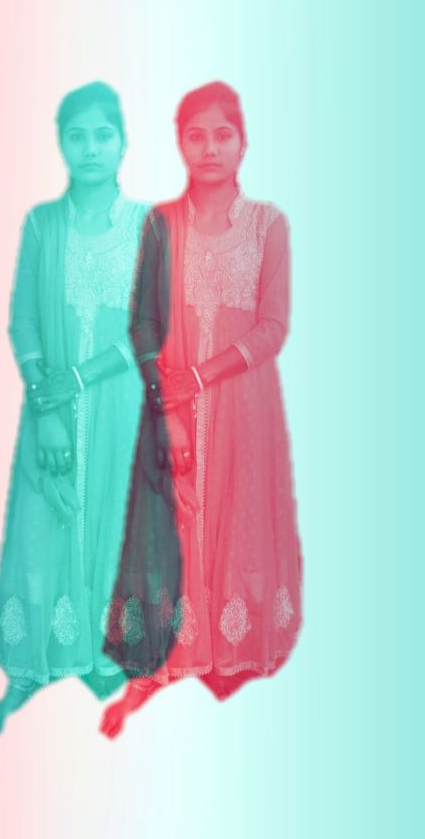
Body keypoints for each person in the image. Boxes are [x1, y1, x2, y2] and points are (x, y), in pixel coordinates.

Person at [100, 81, 304, 738]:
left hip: (245, 409)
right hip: (171, 405)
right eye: (196, 135)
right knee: (175, 517)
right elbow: (143, 325)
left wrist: (202, 376)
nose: (210, 148)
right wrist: (170, 404)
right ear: (179, 144)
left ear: (244, 142)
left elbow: (273, 327)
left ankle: (233, 649)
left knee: (239, 514)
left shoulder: (268, 225)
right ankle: (176, 651)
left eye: (223, 134)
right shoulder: (161, 224)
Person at [0, 82, 148, 739]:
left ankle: (102, 652)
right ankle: (40, 658)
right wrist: (45, 406)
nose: (91, 148)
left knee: (115, 514)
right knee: (45, 519)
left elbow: (152, 328)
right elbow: (22, 322)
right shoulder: (41, 225)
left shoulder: (148, 226)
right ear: (59, 143)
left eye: (103, 135)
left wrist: (76, 379)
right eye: (77, 136)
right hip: (48, 407)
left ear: (124, 142)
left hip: (121, 408)